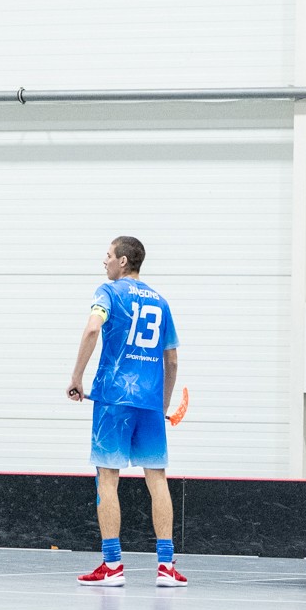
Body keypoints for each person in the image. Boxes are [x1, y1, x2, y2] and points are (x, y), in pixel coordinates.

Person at [65, 236, 183, 587]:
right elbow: (172, 360)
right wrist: (163, 404)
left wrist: (76, 377)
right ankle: (166, 567)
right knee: (157, 479)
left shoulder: (108, 293)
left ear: (123, 261)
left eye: (108, 255)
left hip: (114, 399)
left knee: (107, 478)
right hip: (150, 403)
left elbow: (92, 327)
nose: (104, 261)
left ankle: (113, 565)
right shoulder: (160, 302)